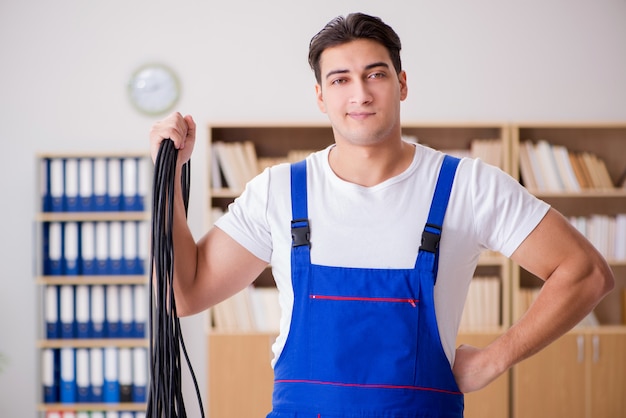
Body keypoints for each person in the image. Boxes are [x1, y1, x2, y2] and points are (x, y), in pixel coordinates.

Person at [149, 12, 614, 418]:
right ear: (320, 96)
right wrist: (168, 174)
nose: (361, 94)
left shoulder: (468, 187)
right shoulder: (279, 192)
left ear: (402, 83)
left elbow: (587, 272)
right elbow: (183, 293)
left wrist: (495, 359)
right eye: (340, 80)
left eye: (375, 74)